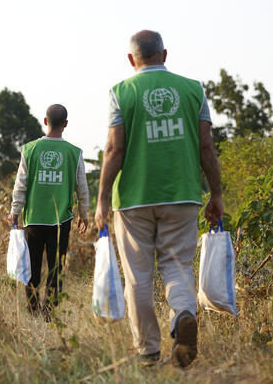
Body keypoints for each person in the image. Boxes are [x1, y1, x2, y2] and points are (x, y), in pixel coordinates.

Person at [94, 30, 223, 368]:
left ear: (131, 59)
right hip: (182, 194)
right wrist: (216, 193)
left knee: (138, 276)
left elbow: (114, 149)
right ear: (164, 55)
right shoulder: (193, 90)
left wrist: (102, 199)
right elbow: (206, 146)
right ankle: (183, 314)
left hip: (133, 200)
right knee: (176, 265)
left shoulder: (121, 92)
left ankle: (148, 351)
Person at [8, 104, 89, 318]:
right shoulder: (74, 153)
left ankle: (32, 309)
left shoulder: (30, 150)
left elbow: (20, 184)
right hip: (61, 221)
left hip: (34, 219)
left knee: (32, 267)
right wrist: (84, 214)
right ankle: (49, 313)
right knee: (56, 268)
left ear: (45, 121)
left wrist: (14, 211)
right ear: (65, 124)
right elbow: (82, 187)